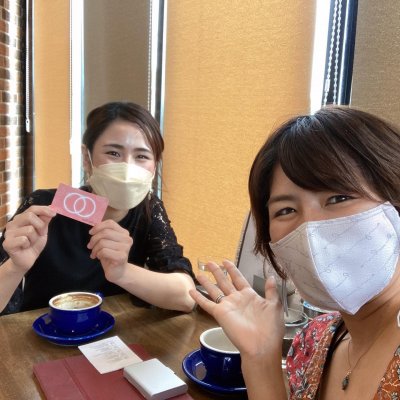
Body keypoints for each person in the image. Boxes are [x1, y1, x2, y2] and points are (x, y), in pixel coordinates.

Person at [191, 106, 400, 399]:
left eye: (338, 197)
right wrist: (260, 356)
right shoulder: (313, 341)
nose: (310, 228)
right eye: (286, 210)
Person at [0, 101, 196, 314]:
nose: (127, 168)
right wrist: (15, 267)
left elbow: (187, 297)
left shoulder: (148, 209)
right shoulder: (43, 206)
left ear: (154, 166)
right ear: (87, 158)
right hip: (42, 331)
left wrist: (123, 272)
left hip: (117, 332)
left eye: (141, 156)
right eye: (113, 153)